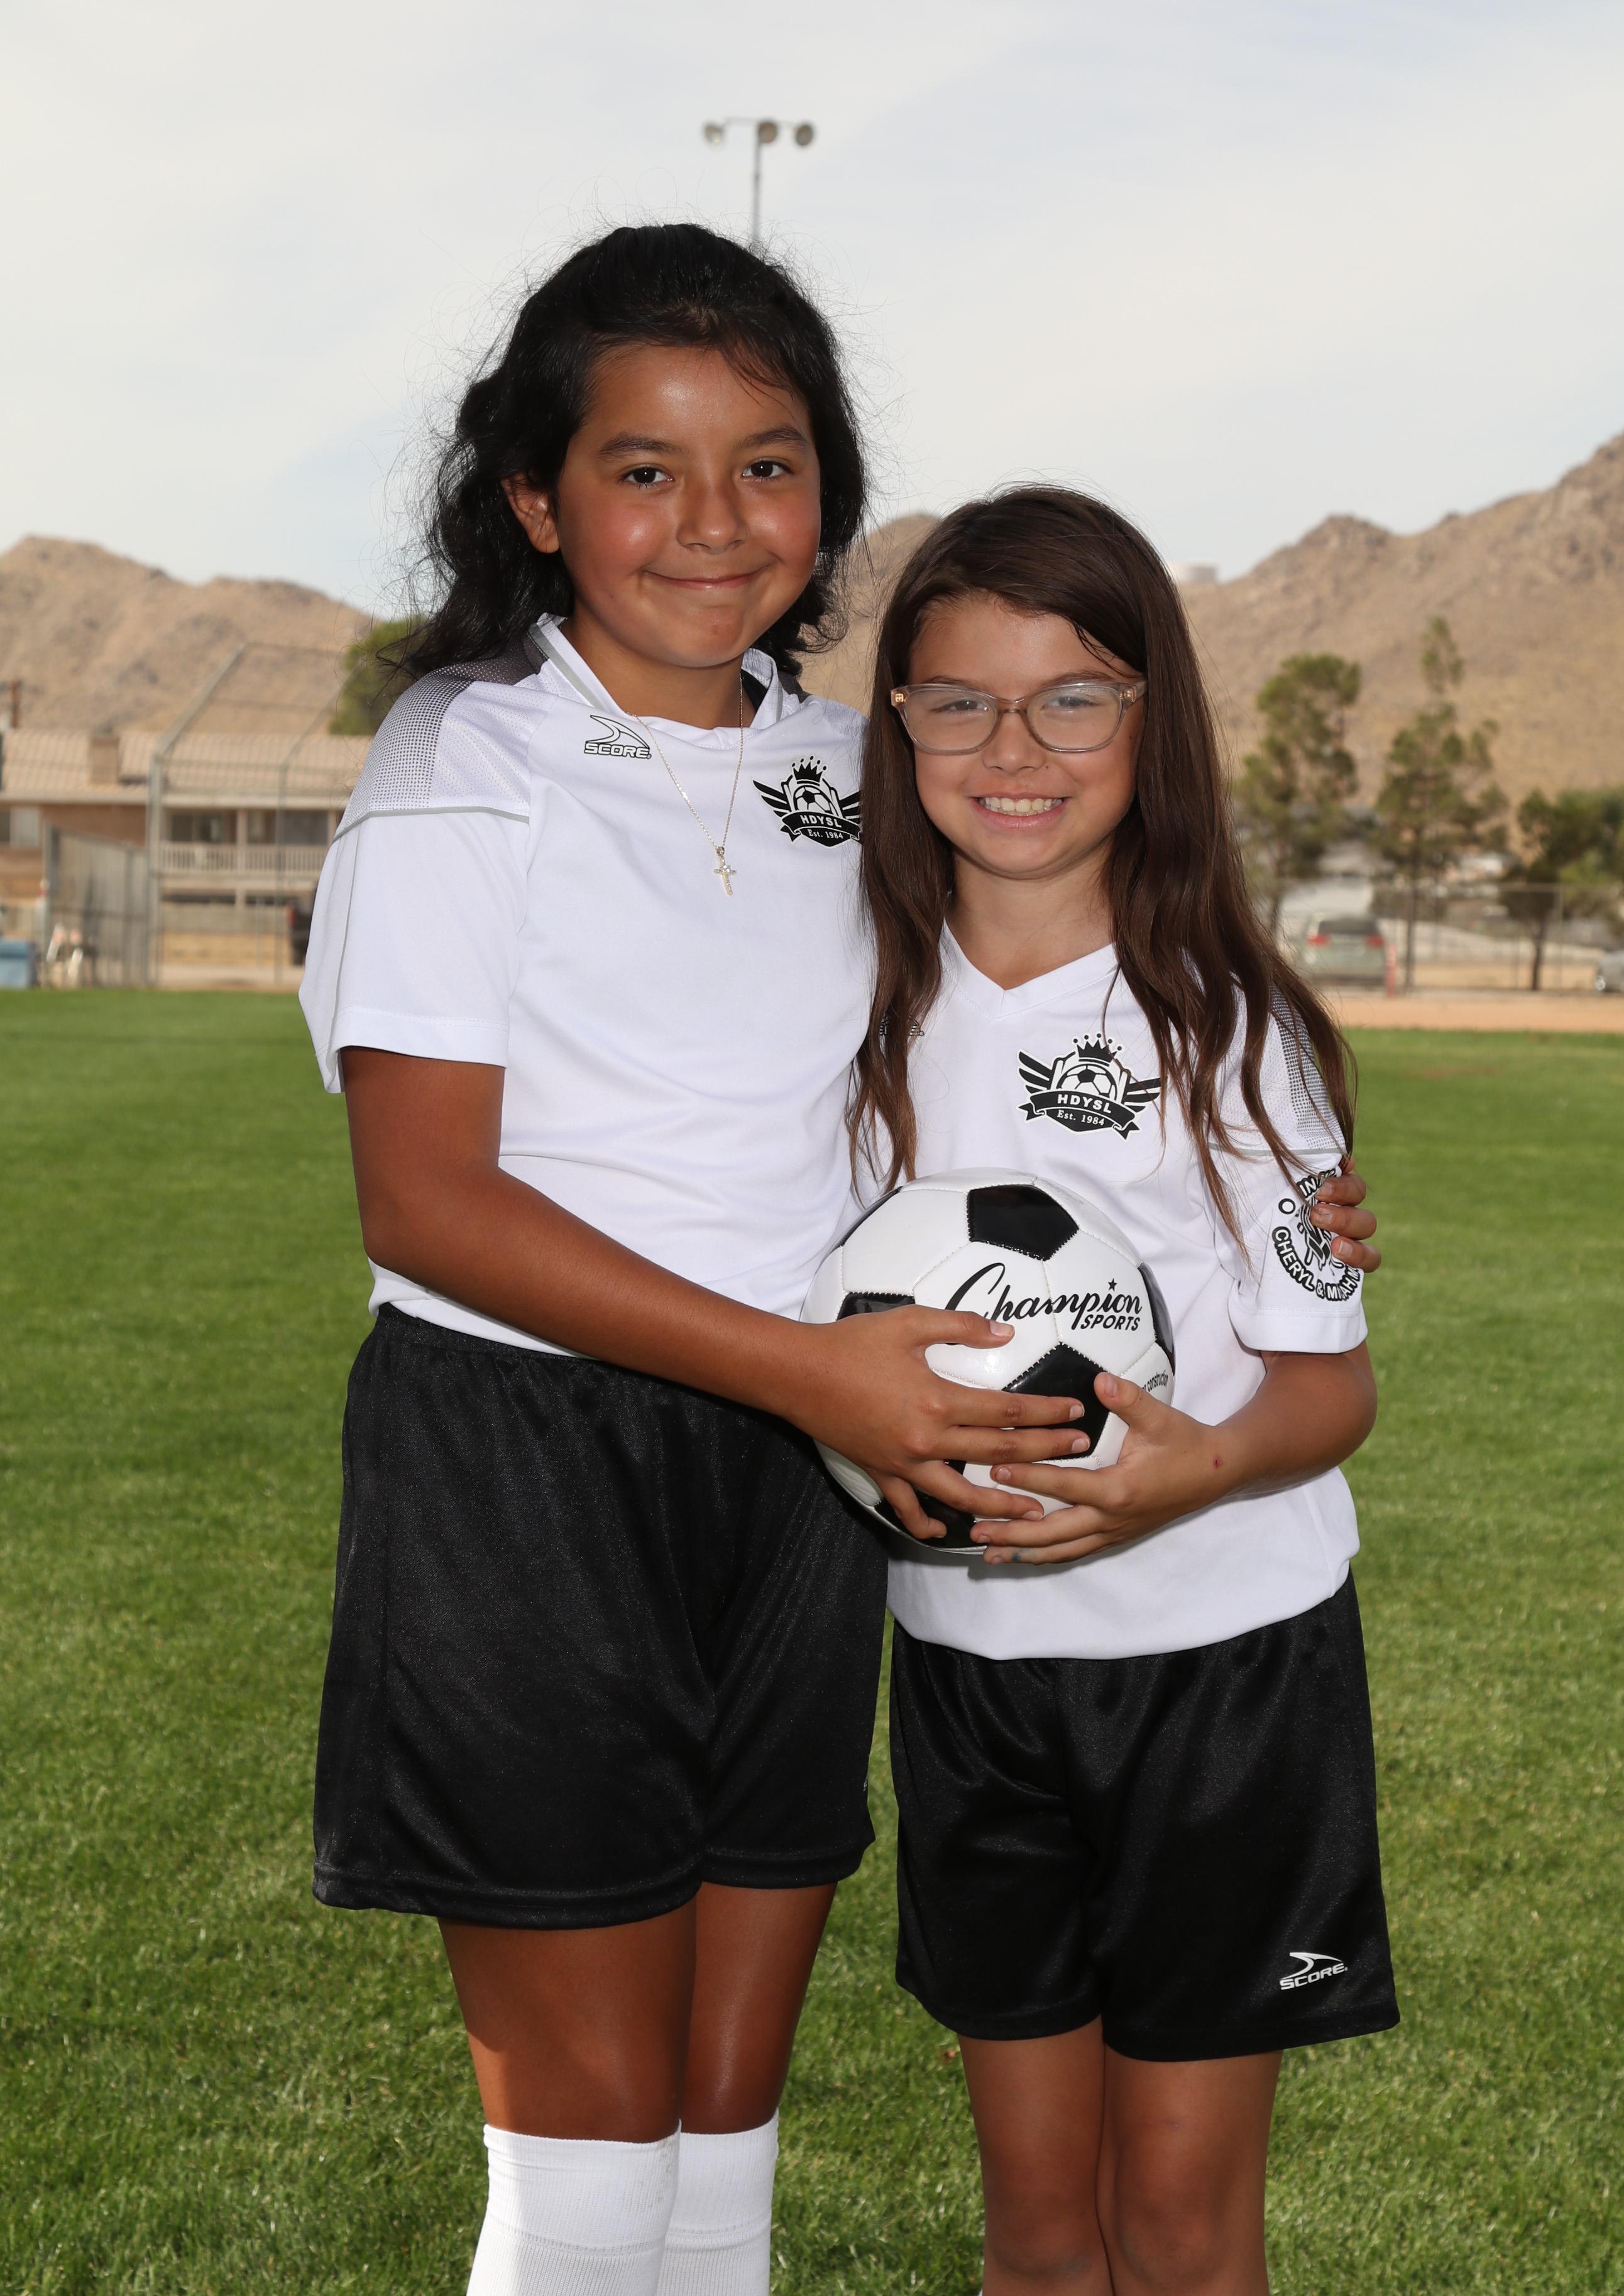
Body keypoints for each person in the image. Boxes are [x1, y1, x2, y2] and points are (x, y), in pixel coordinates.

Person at [296, 225, 1112, 2296]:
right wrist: (808, 1368)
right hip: (528, 1466)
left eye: (767, 464)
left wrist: (1272, 1166)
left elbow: (1027, 1022)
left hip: (798, 1479)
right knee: (586, 2184)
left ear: (827, 492)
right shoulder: (460, 766)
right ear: (535, 499)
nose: (714, 521)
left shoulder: (856, 769)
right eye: (643, 469)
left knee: (720, 2150)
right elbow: (426, 1204)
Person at [850, 487, 1396, 2296]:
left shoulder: (1232, 1028)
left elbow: (1331, 1393)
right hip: (969, 1671)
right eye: (959, 702)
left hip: (1223, 1671)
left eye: (1073, 698)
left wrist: (1201, 1466)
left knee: (1175, 2223)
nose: (1014, 749)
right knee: (1036, 2227)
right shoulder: (849, 1011)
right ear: (899, 724)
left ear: (1153, 721)